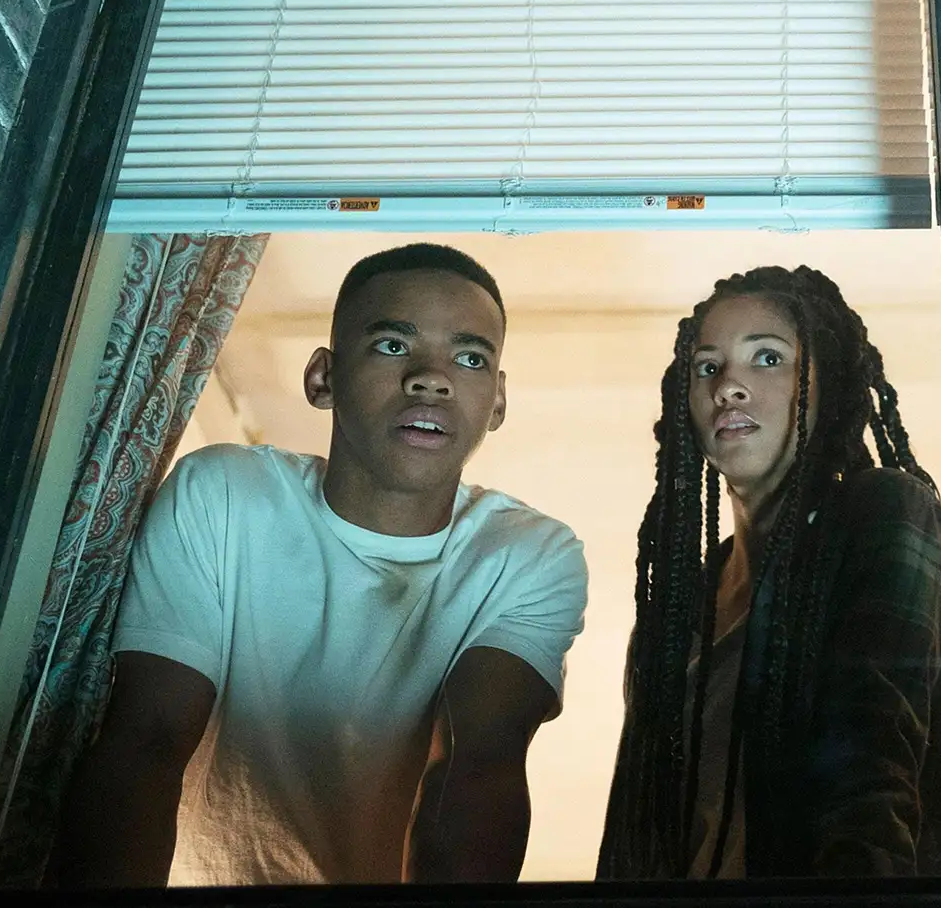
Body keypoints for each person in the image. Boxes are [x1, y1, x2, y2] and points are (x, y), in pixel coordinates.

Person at [54, 243, 588, 887]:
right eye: (393, 345)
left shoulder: (528, 555)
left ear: (496, 402)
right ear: (322, 379)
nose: (432, 378)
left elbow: (476, 768)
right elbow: (148, 739)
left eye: (469, 358)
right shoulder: (225, 494)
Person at [597, 265, 941, 879]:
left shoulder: (883, 515)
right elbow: (636, 840)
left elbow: (873, 774)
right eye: (707, 367)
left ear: (827, 385)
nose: (729, 387)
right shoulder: (678, 607)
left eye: (767, 358)